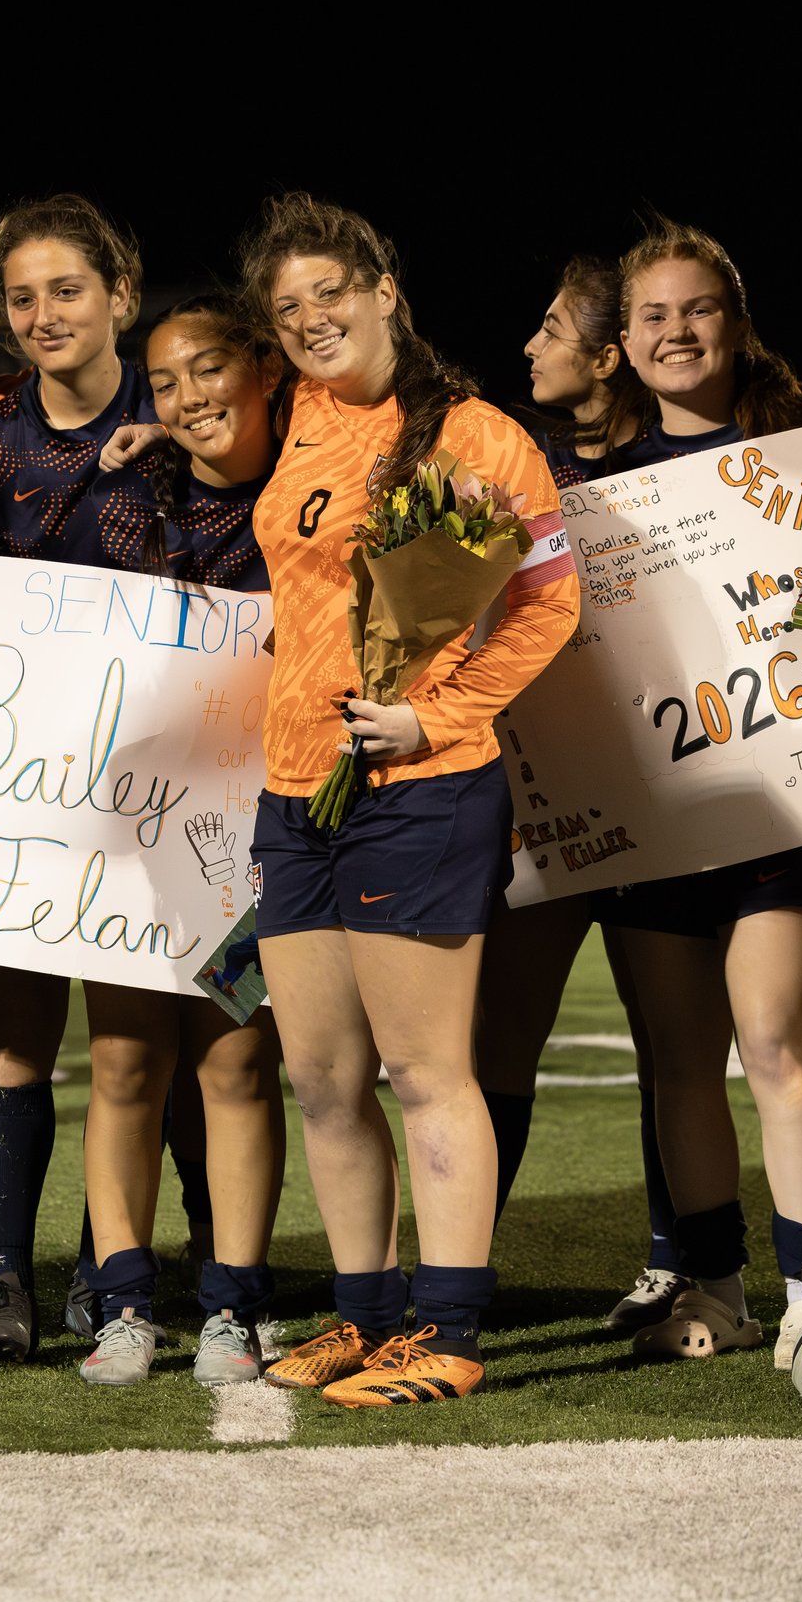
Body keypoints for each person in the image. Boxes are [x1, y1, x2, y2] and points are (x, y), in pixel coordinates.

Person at [241, 193, 576, 1408]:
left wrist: (442, 711)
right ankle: (363, 1313)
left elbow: (548, 601)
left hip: (423, 786)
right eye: (287, 310)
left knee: (426, 1071)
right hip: (295, 788)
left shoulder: (479, 436)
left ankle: (447, 1327)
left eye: (330, 293)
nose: (311, 321)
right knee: (321, 1078)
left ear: (386, 289)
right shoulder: (297, 419)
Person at [0, 193, 214, 1382]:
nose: (42, 314)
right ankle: (5, 1270)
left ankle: (163, 1268)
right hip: (23, 782)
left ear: (120, 294)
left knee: (163, 1037)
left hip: (165, 781)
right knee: (14, 1030)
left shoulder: (186, 420)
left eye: (66, 290)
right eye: (20, 296)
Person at [593, 217, 802, 1370]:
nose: (675, 330)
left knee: (773, 1038)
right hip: (652, 813)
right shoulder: (588, 496)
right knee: (680, 1061)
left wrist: (800, 621)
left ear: (735, 324)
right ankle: (718, 1286)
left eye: (696, 308)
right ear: (624, 343)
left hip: (775, 803)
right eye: (651, 315)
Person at [470, 256, 702, 1336]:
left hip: (667, 799)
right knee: (494, 1042)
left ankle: (682, 1266)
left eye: (552, 328)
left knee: (674, 1042)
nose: (530, 347)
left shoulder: (687, 465)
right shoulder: (518, 466)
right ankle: (457, 1272)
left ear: (606, 354)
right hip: (542, 803)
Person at [81, 291, 293, 1385]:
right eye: (164, 381)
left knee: (236, 1063)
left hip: (263, 826)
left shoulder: (310, 485)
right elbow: (79, 636)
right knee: (121, 1062)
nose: (189, 396)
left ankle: (232, 1304)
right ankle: (123, 1302)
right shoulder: (130, 496)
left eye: (208, 368)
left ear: (259, 366)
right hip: (134, 824)